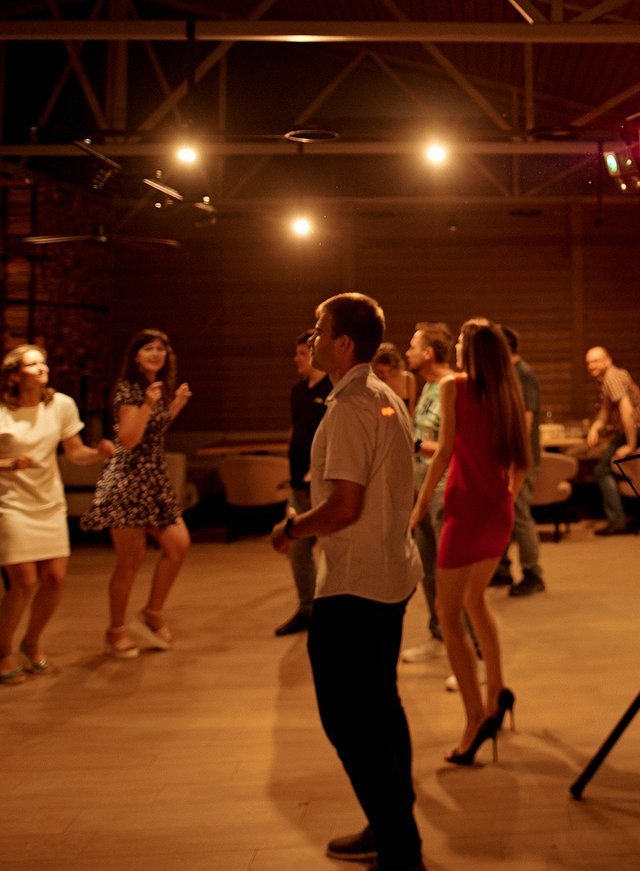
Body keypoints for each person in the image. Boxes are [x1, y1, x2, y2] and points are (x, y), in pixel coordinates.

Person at [270, 293, 424, 871]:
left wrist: (291, 528)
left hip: (357, 585)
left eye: (319, 329)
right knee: (380, 706)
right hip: (389, 572)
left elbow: (344, 506)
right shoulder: (381, 395)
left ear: (343, 343)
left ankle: (399, 847)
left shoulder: (352, 406)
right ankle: (391, 826)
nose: (311, 338)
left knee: (349, 722)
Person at [411, 319, 530, 766]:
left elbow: (443, 453)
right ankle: (497, 692)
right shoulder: (508, 395)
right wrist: (507, 497)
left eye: (461, 341)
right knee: (476, 602)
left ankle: (475, 718)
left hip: (463, 512)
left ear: (470, 351)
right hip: (497, 511)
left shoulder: (453, 388)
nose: (457, 346)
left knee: (449, 615)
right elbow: (522, 463)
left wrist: (420, 504)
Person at [0, 344, 113, 683]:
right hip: (10, 503)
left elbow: (75, 452)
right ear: (15, 376)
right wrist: (9, 463)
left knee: (55, 578)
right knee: (24, 580)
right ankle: (2, 651)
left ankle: (31, 642)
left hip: (48, 501)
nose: (42, 368)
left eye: (43, 362)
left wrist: (98, 454)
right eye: (33, 364)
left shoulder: (60, 406)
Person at [82, 329, 193, 659]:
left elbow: (152, 431)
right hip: (128, 480)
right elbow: (129, 439)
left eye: (161, 348)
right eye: (148, 348)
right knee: (131, 559)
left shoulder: (154, 388)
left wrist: (174, 406)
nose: (156, 354)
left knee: (178, 544)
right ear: (135, 355)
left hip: (153, 478)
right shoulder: (129, 389)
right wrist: (147, 404)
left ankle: (152, 613)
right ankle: (115, 631)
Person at [400, 322, 455, 663]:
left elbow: (452, 447)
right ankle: (440, 637)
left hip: (444, 491)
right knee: (429, 571)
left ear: (429, 353)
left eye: (413, 347)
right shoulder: (428, 387)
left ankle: (469, 650)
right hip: (423, 489)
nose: (407, 353)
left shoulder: (452, 387)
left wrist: (414, 444)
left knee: (450, 574)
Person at [275, 329, 331, 637]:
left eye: (301, 353)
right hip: (298, 485)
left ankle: (331, 611)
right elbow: (295, 430)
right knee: (297, 549)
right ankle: (307, 609)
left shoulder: (332, 388)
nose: (296, 359)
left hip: (322, 486)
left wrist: (319, 469)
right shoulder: (298, 391)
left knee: (331, 549)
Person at [489, 325, 545, 597]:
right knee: (504, 513)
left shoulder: (524, 374)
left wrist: (514, 457)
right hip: (506, 457)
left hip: (520, 457)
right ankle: (502, 569)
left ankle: (533, 573)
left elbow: (525, 418)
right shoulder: (507, 373)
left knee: (520, 514)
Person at [582, 346, 640, 535]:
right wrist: (595, 427)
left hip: (637, 430)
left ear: (608, 360)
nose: (591, 366)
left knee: (602, 469)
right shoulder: (613, 376)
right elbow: (606, 410)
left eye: (596, 361)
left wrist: (630, 445)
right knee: (612, 466)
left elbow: (627, 412)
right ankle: (630, 515)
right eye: (588, 363)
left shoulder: (612, 378)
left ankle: (617, 522)